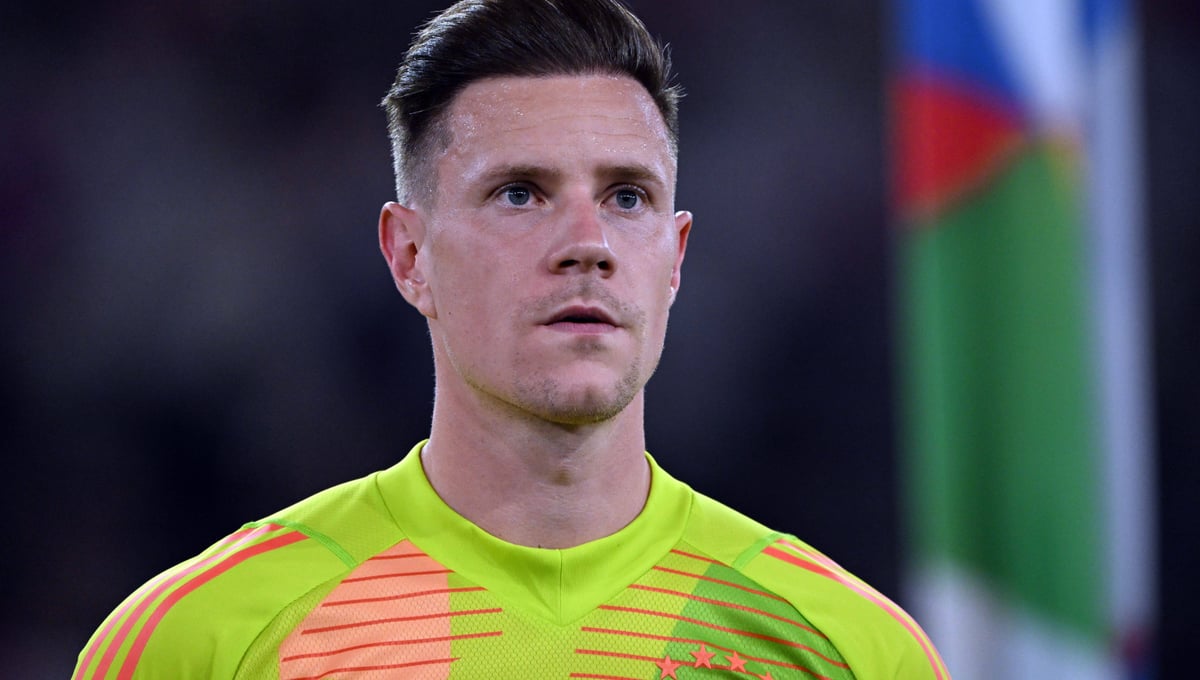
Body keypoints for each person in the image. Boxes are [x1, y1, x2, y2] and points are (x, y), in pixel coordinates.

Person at [73, 0, 949, 678]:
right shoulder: (201, 642)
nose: (588, 244)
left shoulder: (848, 650)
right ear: (409, 256)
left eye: (628, 197)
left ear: (675, 258)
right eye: (520, 193)